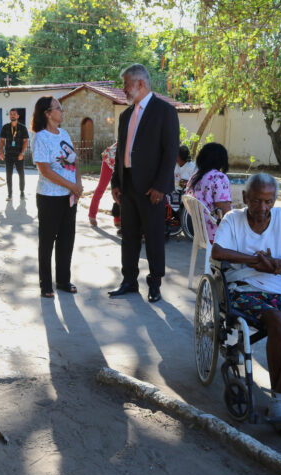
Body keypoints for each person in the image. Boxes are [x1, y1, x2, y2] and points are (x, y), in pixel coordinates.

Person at [212, 173, 281, 438]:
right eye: (257, 201)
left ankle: (279, 402)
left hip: (280, 288)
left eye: (269, 201)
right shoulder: (233, 220)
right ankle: (280, 403)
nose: (263, 208)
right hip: (244, 288)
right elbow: (218, 252)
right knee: (278, 321)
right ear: (245, 198)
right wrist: (254, 261)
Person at [109, 63, 179, 304]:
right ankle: (129, 281)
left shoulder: (164, 111)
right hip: (127, 187)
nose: (123, 90)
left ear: (140, 83)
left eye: (126, 85)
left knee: (154, 237)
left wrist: (161, 186)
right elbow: (121, 151)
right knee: (128, 237)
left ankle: (155, 283)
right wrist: (115, 182)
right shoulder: (126, 115)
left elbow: (170, 152)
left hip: (152, 190)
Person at [31, 96, 82, 298]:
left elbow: (74, 160)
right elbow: (45, 170)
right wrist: (71, 185)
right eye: (59, 108)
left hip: (68, 196)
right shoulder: (40, 137)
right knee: (47, 240)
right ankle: (46, 284)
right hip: (49, 197)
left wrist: (77, 185)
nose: (62, 111)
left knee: (67, 239)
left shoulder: (64, 133)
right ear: (47, 113)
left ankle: (63, 280)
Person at [185, 142, 232, 243]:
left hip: (199, 230)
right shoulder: (219, 177)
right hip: (215, 233)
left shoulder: (194, 177)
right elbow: (225, 210)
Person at [88, 142, 121, 228]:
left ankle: (117, 217)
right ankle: (92, 214)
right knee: (101, 187)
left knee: (123, 189)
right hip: (109, 159)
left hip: (121, 162)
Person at [0, 108, 29, 200]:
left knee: (21, 174)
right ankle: (10, 194)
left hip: (19, 155)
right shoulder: (5, 127)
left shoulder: (23, 128)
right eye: (11, 114)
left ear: (18, 116)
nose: (12, 115)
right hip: (8, 155)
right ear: (9, 116)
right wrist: (1, 152)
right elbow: (2, 141)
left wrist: (22, 153)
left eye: (14, 114)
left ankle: (22, 193)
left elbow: (25, 141)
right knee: (8, 175)